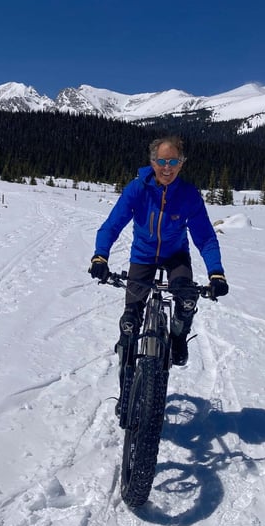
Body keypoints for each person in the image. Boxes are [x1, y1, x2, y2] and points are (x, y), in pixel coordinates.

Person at [88, 135, 228, 412]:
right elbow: (112, 225)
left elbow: (205, 237)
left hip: (176, 256)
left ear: (182, 163)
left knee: (186, 298)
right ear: (152, 162)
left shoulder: (188, 194)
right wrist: (100, 255)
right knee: (129, 323)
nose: (167, 168)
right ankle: (126, 390)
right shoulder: (137, 189)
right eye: (162, 161)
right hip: (143, 257)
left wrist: (216, 272)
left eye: (173, 162)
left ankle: (178, 336)